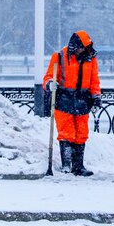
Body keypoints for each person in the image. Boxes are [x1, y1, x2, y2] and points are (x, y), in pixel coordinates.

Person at [43, 30, 102, 176]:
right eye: (81, 47)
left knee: (81, 133)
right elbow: (49, 76)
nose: (83, 50)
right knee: (66, 133)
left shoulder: (90, 58)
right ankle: (66, 165)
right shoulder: (59, 56)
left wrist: (96, 97)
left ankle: (78, 166)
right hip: (64, 100)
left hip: (83, 100)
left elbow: (94, 80)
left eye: (85, 47)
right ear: (74, 46)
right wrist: (50, 84)